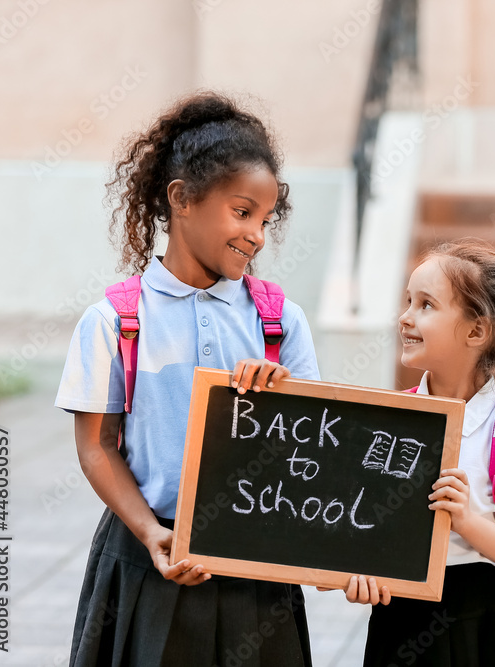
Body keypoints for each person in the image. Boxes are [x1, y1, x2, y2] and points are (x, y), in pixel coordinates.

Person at [55, 92, 320, 667]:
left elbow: (314, 453)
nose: (257, 236)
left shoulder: (282, 323)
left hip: (256, 565)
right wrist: (151, 533)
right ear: (181, 200)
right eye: (242, 212)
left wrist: (283, 400)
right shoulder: (114, 321)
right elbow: (97, 448)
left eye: (266, 220)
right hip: (150, 556)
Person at [352, 239, 495, 667]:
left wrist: (470, 521)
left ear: (476, 331)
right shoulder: (391, 422)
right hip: (402, 620)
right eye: (408, 301)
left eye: (426, 305)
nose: (405, 317)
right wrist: (360, 574)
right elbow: (363, 529)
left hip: (490, 625)